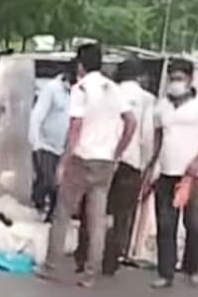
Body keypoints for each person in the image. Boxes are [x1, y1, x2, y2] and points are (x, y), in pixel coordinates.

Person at [36, 43, 137, 288]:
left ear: (80, 64)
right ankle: (91, 273)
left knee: (63, 213)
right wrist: (117, 151)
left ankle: (51, 265)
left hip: (81, 159)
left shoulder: (80, 89)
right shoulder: (114, 89)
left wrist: (64, 161)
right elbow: (131, 122)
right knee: (97, 220)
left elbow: (75, 128)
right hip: (105, 161)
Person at [144, 58, 198, 288]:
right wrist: (152, 164)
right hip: (167, 171)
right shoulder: (161, 106)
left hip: (193, 175)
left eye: (179, 78)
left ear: (189, 79)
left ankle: (191, 269)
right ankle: (166, 273)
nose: (175, 83)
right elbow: (158, 136)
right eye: (172, 78)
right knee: (165, 224)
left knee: (195, 224)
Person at [74, 58, 155, 276]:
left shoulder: (107, 93)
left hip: (102, 158)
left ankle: (83, 256)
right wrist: (146, 164)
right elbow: (147, 137)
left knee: (93, 208)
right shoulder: (147, 100)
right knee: (121, 215)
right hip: (130, 163)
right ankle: (109, 262)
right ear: (140, 77)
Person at [28, 69, 72, 221]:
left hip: (61, 146)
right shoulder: (52, 89)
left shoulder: (74, 94)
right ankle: (41, 208)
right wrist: (36, 142)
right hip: (45, 144)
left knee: (53, 181)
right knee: (50, 181)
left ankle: (47, 212)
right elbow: (37, 115)